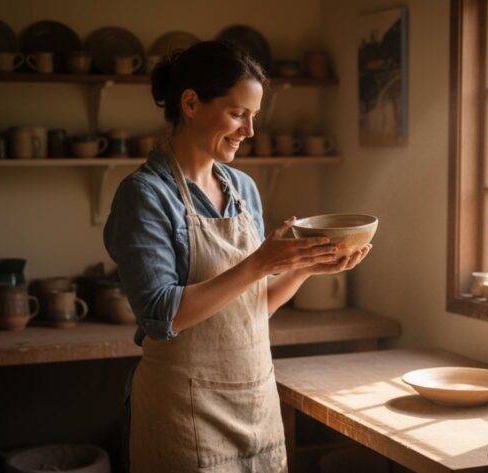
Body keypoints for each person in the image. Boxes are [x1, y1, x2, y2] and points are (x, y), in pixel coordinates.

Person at [103, 40, 370, 472]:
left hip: (255, 402)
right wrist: (262, 262)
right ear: (191, 103)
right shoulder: (146, 195)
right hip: (184, 412)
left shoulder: (242, 189)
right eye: (237, 114)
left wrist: (304, 266)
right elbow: (161, 315)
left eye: (254, 118)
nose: (248, 132)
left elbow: (252, 306)